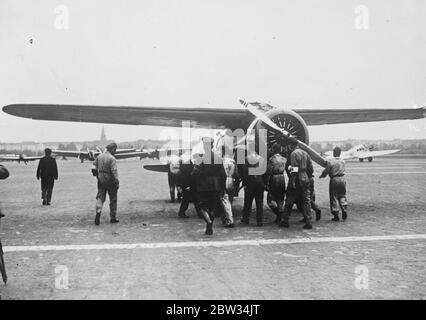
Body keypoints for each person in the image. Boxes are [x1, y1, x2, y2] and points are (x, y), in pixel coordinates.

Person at [191, 137, 227, 235]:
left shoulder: (200, 159)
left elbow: (194, 174)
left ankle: (208, 222)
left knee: (201, 207)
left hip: (203, 187)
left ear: (204, 146)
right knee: (212, 208)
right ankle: (209, 227)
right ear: (212, 146)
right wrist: (223, 188)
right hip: (215, 187)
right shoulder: (218, 159)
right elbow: (223, 175)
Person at [280, 141, 313, 229]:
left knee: (289, 199)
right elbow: (310, 168)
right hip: (305, 177)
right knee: (306, 200)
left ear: (291, 145)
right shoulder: (306, 153)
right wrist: (307, 175)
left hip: (296, 178)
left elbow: (294, 168)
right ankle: (308, 221)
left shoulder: (293, 154)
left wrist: (293, 180)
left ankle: (285, 220)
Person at [91, 142, 120, 225]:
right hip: (110, 180)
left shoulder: (99, 157)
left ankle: (98, 212)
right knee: (113, 199)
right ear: (112, 149)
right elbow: (114, 171)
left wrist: (98, 177)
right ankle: (113, 217)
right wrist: (117, 181)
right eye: (115, 149)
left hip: (101, 180)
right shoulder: (112, 158)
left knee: (100, 198)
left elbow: (93, 169)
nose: (115, 151)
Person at [241, 143, 267, 227]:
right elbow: (265, 173)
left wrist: (244, 183)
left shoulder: (247, 159)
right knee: (259, 202)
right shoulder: (261, 159)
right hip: (260, 182)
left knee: (248, 202)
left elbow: (244, 173)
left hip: (250, 183)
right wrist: (265, 183)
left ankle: (246, 219)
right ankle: (260, 221)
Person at [320, 146, 347, 221]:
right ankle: (344, 208)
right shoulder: (343, 161)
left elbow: (327, 170)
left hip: (334, 179)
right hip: (342, 178)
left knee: (334, 196)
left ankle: (336, 215)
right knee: (342, 195)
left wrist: (322, 175)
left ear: (334, 152)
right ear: (340, 153)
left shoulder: (331, 161)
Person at [266, 143, 286, 224]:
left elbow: (269, 171)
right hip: (282, 178)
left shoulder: (271, 159)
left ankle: (279, 214)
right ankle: (279, 216)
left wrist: (267, 182)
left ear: (273, 150)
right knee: (280, 199)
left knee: (270, 199)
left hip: (274, 178)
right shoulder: (284, 159)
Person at [177, 153, 201, 218]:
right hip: (188, 184)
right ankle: (182, 212)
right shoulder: (187, 164)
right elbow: (184, 176)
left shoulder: (188, 163)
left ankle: (199, 213)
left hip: (192, 184)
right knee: (187, 199)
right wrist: (186, 185)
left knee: (194, 198)